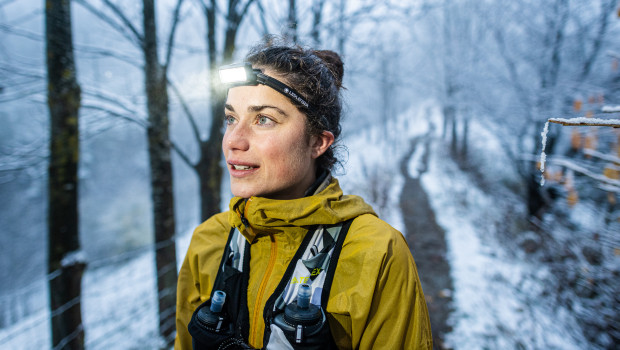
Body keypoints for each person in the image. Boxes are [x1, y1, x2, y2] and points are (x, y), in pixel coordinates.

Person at [174, 38, 432, 350]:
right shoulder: (209, 241)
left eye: (263, 119)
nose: (234, 141)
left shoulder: (375, 253)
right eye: (231, 118)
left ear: (318, 142)